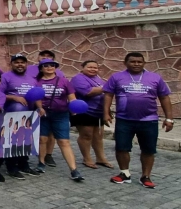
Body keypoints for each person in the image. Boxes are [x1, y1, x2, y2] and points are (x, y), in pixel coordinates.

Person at [103, 52, 173, 189]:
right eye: (133, 62)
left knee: (148, 150)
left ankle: (145, 176)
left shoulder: (155, 78)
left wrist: (169, 118)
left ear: (144, 63)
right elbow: (108, 95)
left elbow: (164, 97)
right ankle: (124, 173)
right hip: (124, 119)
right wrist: (106, 112)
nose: (136, 64)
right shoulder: (117, 77)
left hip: (149, 120)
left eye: (139, 62)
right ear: (125, 63)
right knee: (121, 147)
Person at [34, 59, 84, 182]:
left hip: (61, 114)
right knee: (42, 139)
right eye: (46, 66)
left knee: (64, 141)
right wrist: (39, 107)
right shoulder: (37, 82)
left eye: (52, 65)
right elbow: (36, 96)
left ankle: (74, 170)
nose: (49, 67)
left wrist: (74, 108)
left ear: (55, 67)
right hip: (44, 114)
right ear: (41, 68)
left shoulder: (64, 81)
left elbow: (71, 97)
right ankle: (41, 163)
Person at [1, 53, 42, 178]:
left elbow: (36, 94)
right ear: (11, 64)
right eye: (16, 62)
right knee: (13, 140)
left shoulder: (31, 78)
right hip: (12, 115)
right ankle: (11, 167)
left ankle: (24, 165)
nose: (20, 64)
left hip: (29, 114)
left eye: (22, 62)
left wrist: (40, 107)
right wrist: (14, 97)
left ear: (26, 64)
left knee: (26, 139)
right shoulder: (5, 77)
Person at [71, 60, 112, 169]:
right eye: (90, 67)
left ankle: (101, 158)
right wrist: (108, 87)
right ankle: (87, 158)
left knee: (98, 136)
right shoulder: (78, 78)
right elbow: (88, 92)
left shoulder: (99, 79)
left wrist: (107, 111)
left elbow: (106, 95)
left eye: (95, 67)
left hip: (98, 112)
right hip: (84, 111)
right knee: (86, 135)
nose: (93, 69)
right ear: (83, 68)